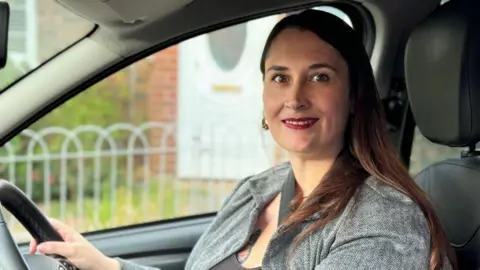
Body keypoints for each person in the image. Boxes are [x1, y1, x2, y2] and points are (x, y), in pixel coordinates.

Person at [29, 9, 457, 270]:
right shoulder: (257, 191)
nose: (295, 97)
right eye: (280, 77)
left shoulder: (385, 220)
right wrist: (107, 266)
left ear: (352, 98)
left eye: (320, 77)